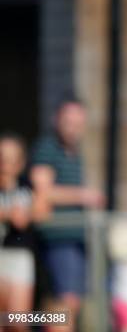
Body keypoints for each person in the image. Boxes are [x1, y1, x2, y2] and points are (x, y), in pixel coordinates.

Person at [30, 99, 105, 331]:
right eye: (68, 122)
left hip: (77, 239)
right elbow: (42, 190)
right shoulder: (47, 147)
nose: (72, 128)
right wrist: (84, 196)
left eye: (77, 123)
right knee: (64, 303)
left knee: (69, 305)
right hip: (57, 237)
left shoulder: (76, 153)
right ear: (56, 121)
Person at [0, 133, 53, 332]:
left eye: (10, 159)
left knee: (17, 321)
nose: (5, 164)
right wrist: (6, 213)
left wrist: (28, 211)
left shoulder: (26, 187)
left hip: (19, 257)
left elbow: (43, 211)